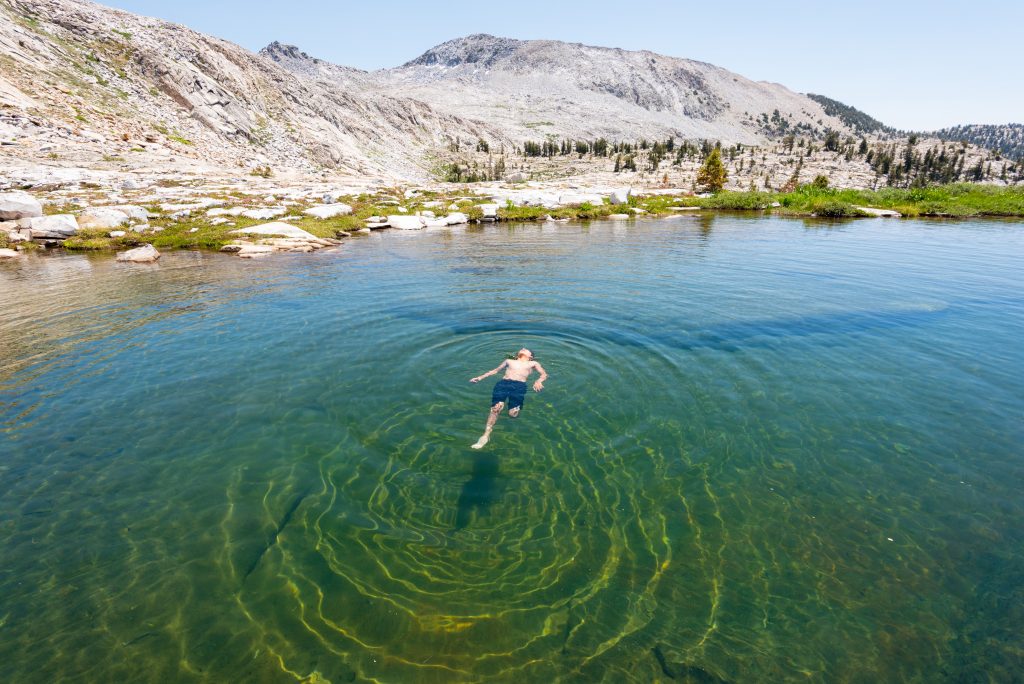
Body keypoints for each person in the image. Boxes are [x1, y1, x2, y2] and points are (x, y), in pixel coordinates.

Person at [469, 348, 548, 449]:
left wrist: (539, 381)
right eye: (522, 348)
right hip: (503, 384)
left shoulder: (533, 363)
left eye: (526, 349)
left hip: (519, 386)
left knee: (513, 413)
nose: (523, 348)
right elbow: (495, 371)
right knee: (496, 409)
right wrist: (480, 377)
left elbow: (544, 374)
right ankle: (486, 434)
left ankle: (513, 416)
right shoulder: (509, 361)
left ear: (530, 357)